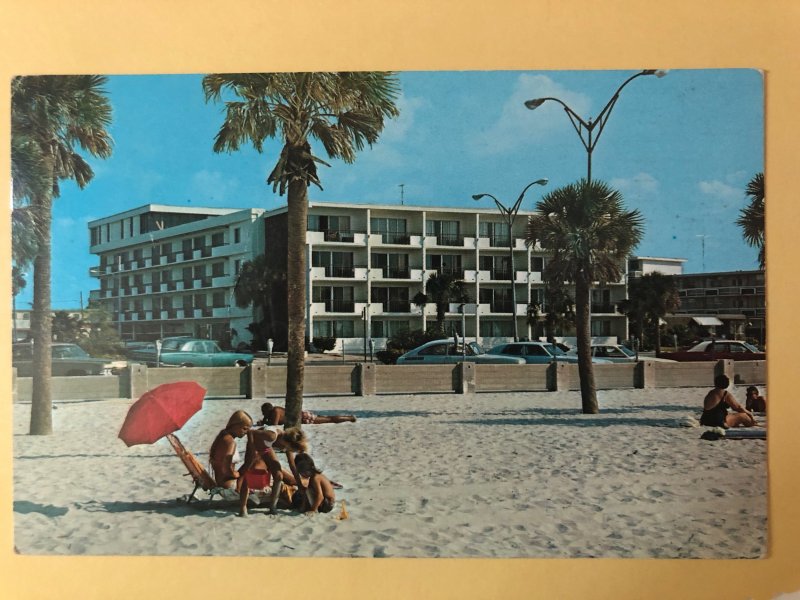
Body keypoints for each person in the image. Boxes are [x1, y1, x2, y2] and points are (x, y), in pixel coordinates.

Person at [240, 425, 308, 514]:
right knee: (248, 474)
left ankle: (272, 507)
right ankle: (243, 507)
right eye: (292, 449)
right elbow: (251, 432)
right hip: (254, 443)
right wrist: (252, 452)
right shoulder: (271, 436)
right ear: (289, 443)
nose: (291, 450)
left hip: (266, 448)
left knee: (279, 475)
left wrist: (299, 485)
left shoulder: (287, 443)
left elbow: (292, 465)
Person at [209, 410, 252, 488]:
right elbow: (226, 466)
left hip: (220, 481)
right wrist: (234, 474)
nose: (246, 433)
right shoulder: (230, 442)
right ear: (235, 426)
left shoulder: (223, 435)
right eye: (245, 429)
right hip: (228, 484)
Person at [257, 402, 356, 426]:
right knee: (326, 418)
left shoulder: (276, 411)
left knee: (329, 419)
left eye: (263, 411)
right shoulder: (272, 412)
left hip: (303, 417)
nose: (262, 413)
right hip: (302, 416)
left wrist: (265, 423)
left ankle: (350, 418)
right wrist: (264, 420)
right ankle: (349, 418)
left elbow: (274, 425)